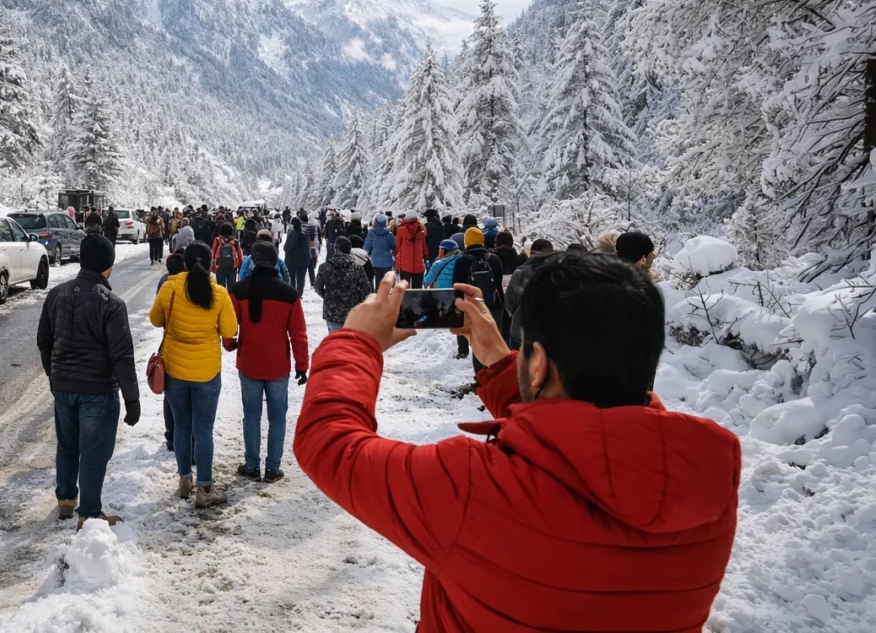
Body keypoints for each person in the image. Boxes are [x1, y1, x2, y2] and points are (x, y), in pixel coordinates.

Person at [294, 255, 741, 633]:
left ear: (541, 364)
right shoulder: (705, 485)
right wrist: (503, 362)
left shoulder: (472, 488)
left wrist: (355, 344)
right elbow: (583, 448)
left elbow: (330, 443)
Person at [36, 235, 140, 528]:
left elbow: (43, 341)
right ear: (109, 264)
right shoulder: (111, 303)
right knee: (94, 452)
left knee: (67, 445)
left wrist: (54, 374)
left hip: (64, 388)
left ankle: (66, 500)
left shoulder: (57, 294)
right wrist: (132, 400)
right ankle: (90, 513)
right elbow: (122, 357)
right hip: (98, 391)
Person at [150, 242, 238, 508]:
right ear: (212, 264)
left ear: (185, 263)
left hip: (175, 370)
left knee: (181, 426)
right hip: (207, 372)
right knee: (203, 430)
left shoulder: (170, 287)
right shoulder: (219, 293)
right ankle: (205, 488)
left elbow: (155, 320)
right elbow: (230, 329)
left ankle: (185, 481)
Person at [226, 241, 309, 482]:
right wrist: (302, 365)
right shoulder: (289, 293)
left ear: (252, 261)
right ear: (275, 262)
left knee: (251, 415)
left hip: (249, 362)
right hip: (278, 366)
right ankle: (273, 468)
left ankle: (251, 466)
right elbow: (298, 334)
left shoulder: (239, 290)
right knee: (277, 417)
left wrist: (230, 344)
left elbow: (230, 327)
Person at [451, 226, 505, 363]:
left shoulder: (461, 261)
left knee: (478, 345)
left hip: (472, 307)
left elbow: (457, 288)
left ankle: (480, 379)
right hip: (493, 305)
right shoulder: (494, 259)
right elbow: (498, 284)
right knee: (494, 343)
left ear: (466, 242)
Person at [156, 253, 188, 452]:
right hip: (187, 342)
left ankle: (171, 436)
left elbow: (156, 317)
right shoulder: (188, 283)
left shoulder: (163, 282)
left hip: (169, 340)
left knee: (170, 395)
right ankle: (186, 437)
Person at [314, 236, 372, 333]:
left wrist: (327, 296)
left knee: (335, 343)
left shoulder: (324, 267)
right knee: (349, 344)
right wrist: (358, 300)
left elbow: (317, 287)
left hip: (331, 313)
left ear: (336, 248)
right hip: (352, 313)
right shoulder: (357, 268)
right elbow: (366, 289)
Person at [504, 238, 553, 347]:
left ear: (531, 254)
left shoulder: (520, 273)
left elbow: (509, 301)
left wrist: (516, 312)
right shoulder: (558, 273)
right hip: (548, 332)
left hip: (521, 328)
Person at [394, 212, 427, 286]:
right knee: (417, 291)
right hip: (419, 265)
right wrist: (426, 257)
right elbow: (424, 246)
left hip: (405, 265)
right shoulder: (421, 230)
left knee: (405, 290)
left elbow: (397, 247)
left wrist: (397, 262)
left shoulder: (400, 230)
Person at [363, 215, 397, 284]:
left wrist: (369, 254)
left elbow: (367, 247)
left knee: (377, 283)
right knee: (387, 283)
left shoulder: (371, 233)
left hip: (375, 261)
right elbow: (393, 247)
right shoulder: (389, 234)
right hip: (387, 261)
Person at [212, 223, 243, 293]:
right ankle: (231, 302)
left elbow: (213, 253)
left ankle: (222, 302)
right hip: (232, 267)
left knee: (220, 288)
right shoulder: (235, 242)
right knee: (231, 289)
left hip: (220, 266)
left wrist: (213, 266)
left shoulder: (217, 240)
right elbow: (240, 256)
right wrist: (240, 267)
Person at [283, 217, 311, 294]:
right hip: (302, 260)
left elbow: (287, 247)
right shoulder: (303, 234)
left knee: (291, 277)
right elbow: (306, 248)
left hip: (292, 259)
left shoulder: (292, 234)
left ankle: (292, 292)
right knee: (301, 277)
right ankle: (299, 293)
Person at [302, 215, 321, 286]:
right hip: (312, 248)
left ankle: (305, 281)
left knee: (306, 267)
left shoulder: (306, 227)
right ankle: (312, 282)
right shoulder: (315, 226)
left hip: (308, 248)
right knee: (311, 267)